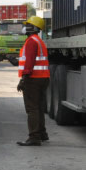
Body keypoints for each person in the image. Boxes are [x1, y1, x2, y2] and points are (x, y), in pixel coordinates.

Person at [16, 16, 50, 146]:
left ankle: (34, 137)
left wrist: (23, 80)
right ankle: (42, 133)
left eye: (28, 25)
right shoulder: (39, 41)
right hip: (43, 78)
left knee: (32, 109)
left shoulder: (31, 41)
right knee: (39, 107)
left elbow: (29, 62)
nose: (25, 27)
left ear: (34, 28)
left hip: (33, 79)